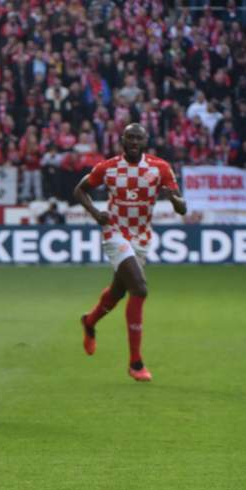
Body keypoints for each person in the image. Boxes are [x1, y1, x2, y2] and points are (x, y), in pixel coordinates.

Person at [75, 123, 186, 382]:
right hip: (115, 232)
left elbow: (182, 207)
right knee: (140, 288)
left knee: (119, 290)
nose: (134, 142)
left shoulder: (160, 168)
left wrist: (174, 199)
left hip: (142, 237)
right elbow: (79, 190)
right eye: (130, 137)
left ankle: (90, 321)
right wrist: (96, 214)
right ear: (122, 141)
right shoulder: (108, 167)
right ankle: (136, 362)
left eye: (138, 138)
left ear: (145, 142)